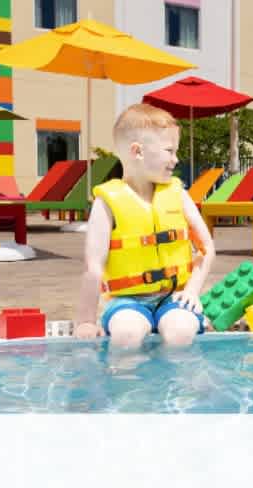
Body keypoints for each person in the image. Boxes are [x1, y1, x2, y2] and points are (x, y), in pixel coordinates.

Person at [73, 103, 215, 351]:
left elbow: (206, 249)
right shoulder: (107, 202)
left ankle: (178, 389)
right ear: (137, 151)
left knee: (180, 332)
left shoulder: (178, 194)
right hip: (128, 300)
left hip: (175, 294)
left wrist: (192, 292)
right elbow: (93, 266)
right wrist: (85, 321)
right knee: (127, 334)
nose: (176, 159)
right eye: (170, 151)